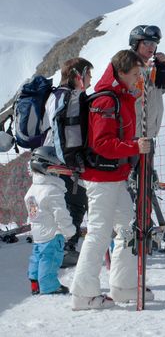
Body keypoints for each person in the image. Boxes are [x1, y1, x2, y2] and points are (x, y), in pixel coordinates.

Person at [70, 50, 153, 310]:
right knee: (98, 232)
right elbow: (102, 144)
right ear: (121, 72)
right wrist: (134, 147)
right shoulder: (106, 101)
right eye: (136, 74)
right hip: (101, 176)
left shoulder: (121, 97)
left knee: (128, 228)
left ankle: (122, 285)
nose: (138, 78)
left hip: (115, 176)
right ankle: (83, 294)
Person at [42, 57, 93, 268]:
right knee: (75, 202)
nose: (91, 79)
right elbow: (70, 132)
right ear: (77, 75)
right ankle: (67, 249)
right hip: (65, 158)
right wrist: (74, 162)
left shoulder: (55, 94)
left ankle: (58, 248)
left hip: (51, 153)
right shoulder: (72, 97)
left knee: (63, 204)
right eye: (88, 74)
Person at [25, 146, 76, 295]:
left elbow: (33, 211)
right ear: (46, 168)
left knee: (37, 256)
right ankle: (49, 286)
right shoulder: (52, 190)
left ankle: (35, 283)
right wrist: (69, 230)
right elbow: (60, 214)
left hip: (38, 231)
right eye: (56, 169)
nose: (59, 172)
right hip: (52, 233)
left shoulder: (33, 189)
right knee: (50, 258)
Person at [129, 25, 165, 138]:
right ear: (136, 43)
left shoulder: (150, 67)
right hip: (132, 135)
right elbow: (132, 95)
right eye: (147, 42)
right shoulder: (127, 64)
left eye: (154, 44)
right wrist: (147, 75)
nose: (151, 47)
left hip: (148, 134)